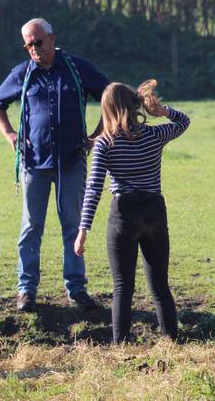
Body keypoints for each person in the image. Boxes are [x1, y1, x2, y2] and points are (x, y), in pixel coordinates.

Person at [0, 17, 108, 312]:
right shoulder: (22, 73)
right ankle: (26, 290)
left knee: (73, 225)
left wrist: (96, 137)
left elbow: (110, 98)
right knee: (31, 227)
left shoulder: (77, 68)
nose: (33, 48)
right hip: (34, 163)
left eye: (38, 42)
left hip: (72, 161)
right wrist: (10, 135)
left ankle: (76, 289)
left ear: (52, 39)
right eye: (28, 45)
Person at [73, 80, 191, 344]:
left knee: (122, 287)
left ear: (108, 110)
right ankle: (171, 342)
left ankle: (122, 346)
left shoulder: (105, 143)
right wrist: (162, 111)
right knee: (159, 285)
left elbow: (94, 188)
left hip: (124, 214)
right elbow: (184, 122)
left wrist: (83, 229)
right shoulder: (154, 135)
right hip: (154, 210)